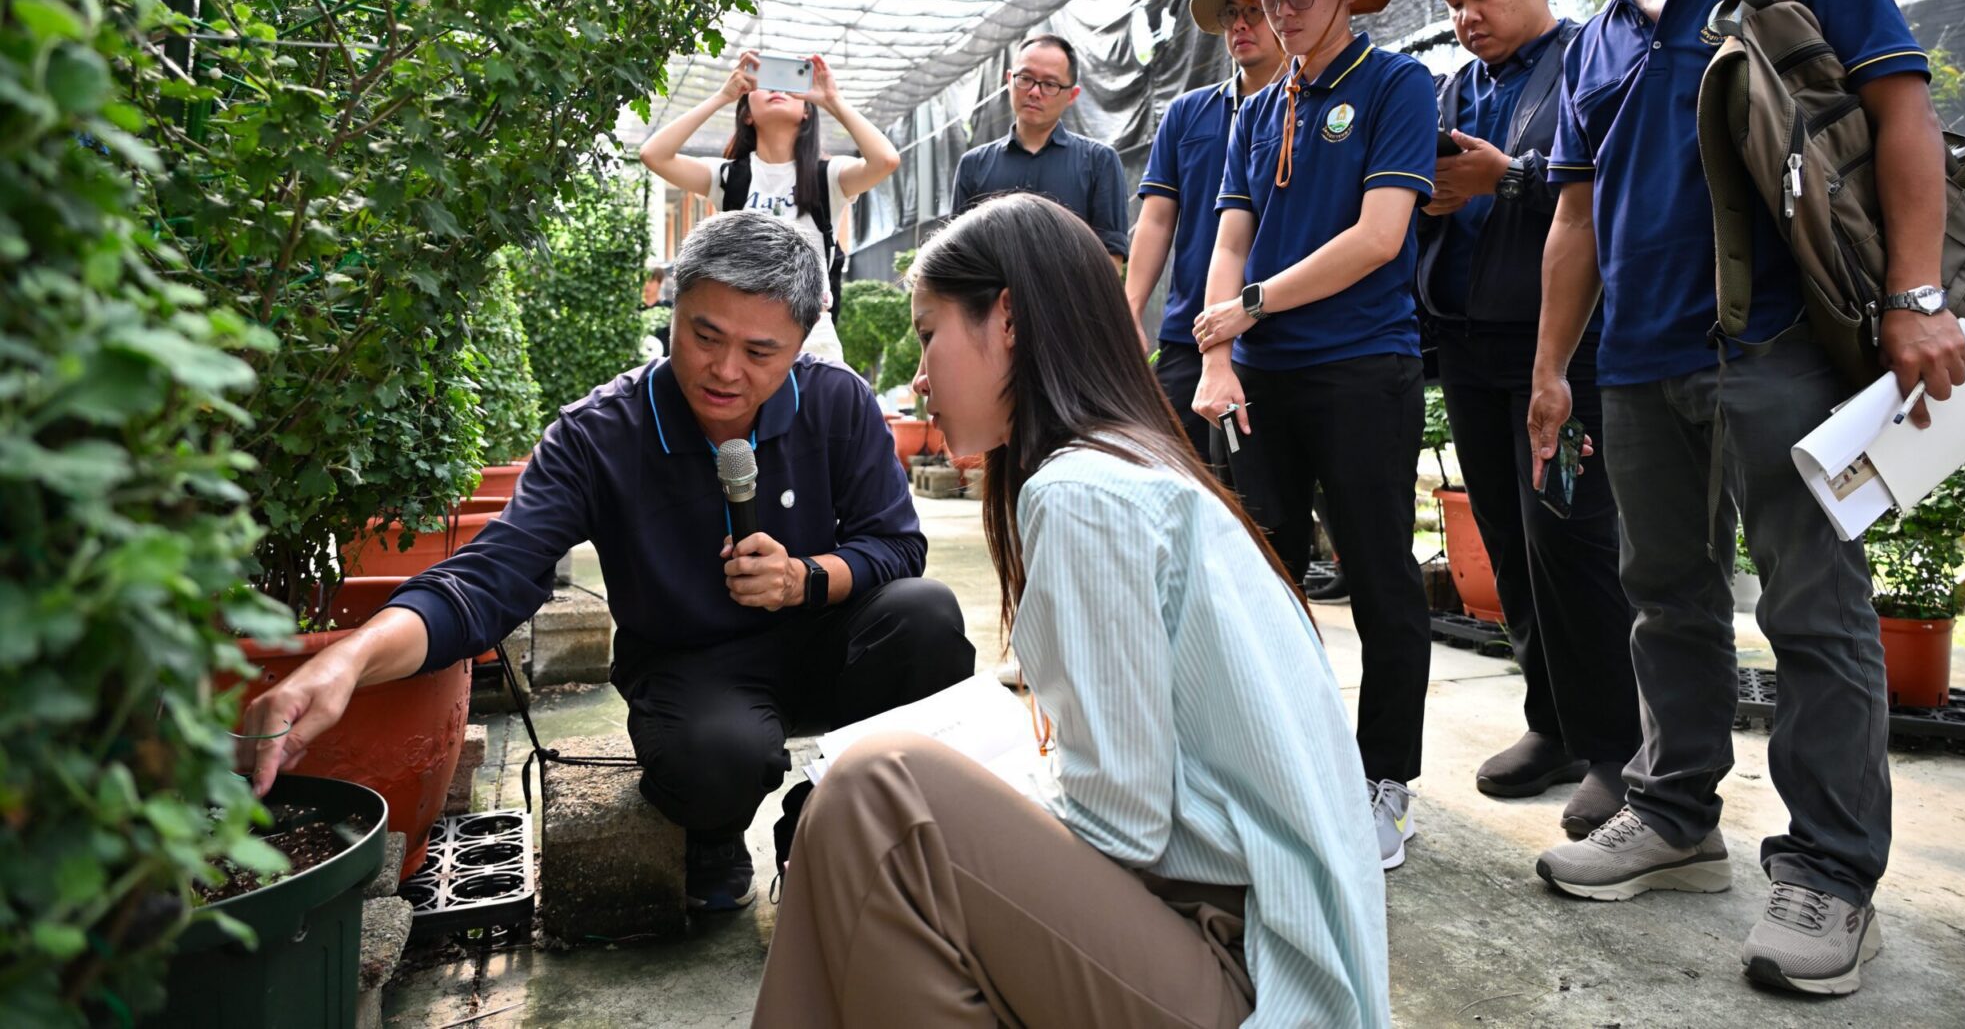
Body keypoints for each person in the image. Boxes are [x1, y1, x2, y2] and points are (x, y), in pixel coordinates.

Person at [1529, 0, 1965, 998]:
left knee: (1812, 607)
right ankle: (1674, 817)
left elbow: (1899, 112)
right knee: (1661, 592)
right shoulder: (1603, 24)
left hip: (1778, 348)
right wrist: (1553, 365)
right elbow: (1574, 214)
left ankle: (1831, 870)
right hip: (1638, 363)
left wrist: (1915, 296)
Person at [753, 193, 1391, 1028]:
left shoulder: (1085, 491)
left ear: (1007, 318)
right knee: (874, 887)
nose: (918, 376)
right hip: (1210, 934)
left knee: (878, 789)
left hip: (1246, 970)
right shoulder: (1129, 468)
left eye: (927, 332)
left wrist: (978, 784)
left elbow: (1117, 817)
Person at [244, 213, 975, 913]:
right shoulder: (600, 435)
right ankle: (714, 835)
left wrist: (805, 578)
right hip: (693, 668)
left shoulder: (837, 402)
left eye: (761, 353)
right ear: (669, 304)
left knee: (928, 617)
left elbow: (895, 546)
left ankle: (825, 811)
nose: (724, 372)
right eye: (703, 335)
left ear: (803, 340)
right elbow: (489, 576)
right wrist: (349, 659)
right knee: (715, 758)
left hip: (821, 639)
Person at [1190, 0, 1439, 871]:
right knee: (1264, 581)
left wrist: (1247, 307)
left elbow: (1379, 237)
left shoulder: (1395, 86)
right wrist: (1217, 353)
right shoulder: (1256, 110)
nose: (1282, 7)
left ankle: (1384, 782)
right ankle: (1279, 764)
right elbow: (1229, 236)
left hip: (1363, 370)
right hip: (1262, 380)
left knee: (1382, 580)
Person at [1415, 0, 1639, 838]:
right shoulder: (1457, 89)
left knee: (1576, 541)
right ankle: (1551, 724)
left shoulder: (1590, 57)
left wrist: (1511, 177)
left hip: (1562, 347)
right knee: (1507, 542)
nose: (1469, 18)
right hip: (1472, 345)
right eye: (1455, 4)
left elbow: (1612, 184)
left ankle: (1620, 752)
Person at [639, 51, 901, 363]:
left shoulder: (828, 174)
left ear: (807, 111)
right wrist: (722, 96)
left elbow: (885, 160)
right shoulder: (729, 176)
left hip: (811, 335)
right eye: (765, 83)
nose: (778, 90)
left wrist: (832, 100)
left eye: (789, 87)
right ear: (747, 112)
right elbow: (654, 154)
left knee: (814, 411)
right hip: (741, 333)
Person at [1128, 0, 1283, 454]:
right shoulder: (1187, 113)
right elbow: (1155, 221)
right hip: (1191, 332)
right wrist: (1130, 309)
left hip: (1280, 328)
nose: (1240, 24)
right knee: (1180, 469)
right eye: (1231, 15)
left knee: (1269, 489)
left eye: (1253, 12)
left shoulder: (1307, 109)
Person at [950, 35, 1130, 265]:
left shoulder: (1099, 161)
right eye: (1025, 78)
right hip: (991, 300)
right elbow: (958, 253)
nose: (1035, 92)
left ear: (1072, 95)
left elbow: (1110, 258)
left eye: (1050, 84)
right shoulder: (973, 165)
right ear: (1009, 79)